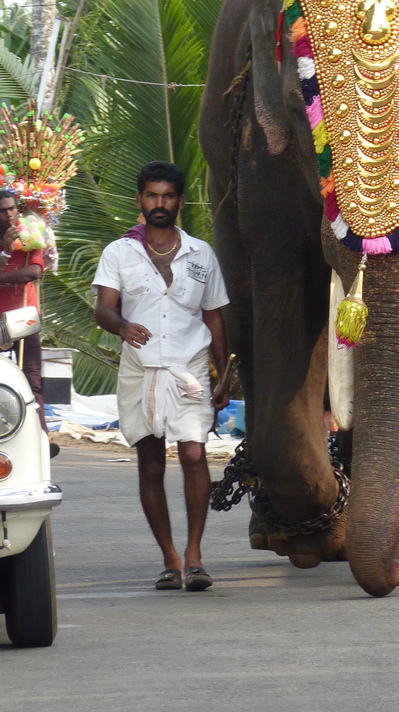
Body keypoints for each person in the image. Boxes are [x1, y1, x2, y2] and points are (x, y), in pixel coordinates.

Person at [93, 162, 230, 592]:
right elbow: (103, 308)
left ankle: (195, 555)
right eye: (151, 196)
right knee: (150, 462)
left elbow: (214, 316)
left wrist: (223, 372)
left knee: (193, 454)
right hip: (140, 369)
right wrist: (122, 327)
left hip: (189, 367)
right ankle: (170, 559)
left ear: (180, 202)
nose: (159, 204)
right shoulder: (119, 253)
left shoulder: (201, 254)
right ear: (139, 200)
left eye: (167, 196)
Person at [0, 189, 55, 452]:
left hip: (25, 318)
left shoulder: (31, 232)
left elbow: (34, 271)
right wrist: (5, 250)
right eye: (3, 210)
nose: (9, 215)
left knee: (33, 381)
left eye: (12, 209)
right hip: (1, 320)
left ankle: (42, 439)